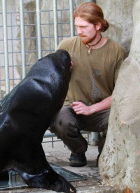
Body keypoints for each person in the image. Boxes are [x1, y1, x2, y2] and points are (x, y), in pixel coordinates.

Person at [50, 2, 125, 167]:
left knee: (121, 117)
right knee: (57, 118)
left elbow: (121, 93)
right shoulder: (67, 46)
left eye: (83, 27)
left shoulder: (116, 51)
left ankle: (104, 153)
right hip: (73, 108)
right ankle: (78, 150)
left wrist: (92, 109)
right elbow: (53, 79)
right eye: (77, 26)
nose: (79, 31)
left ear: (98, 25)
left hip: (104, 110)